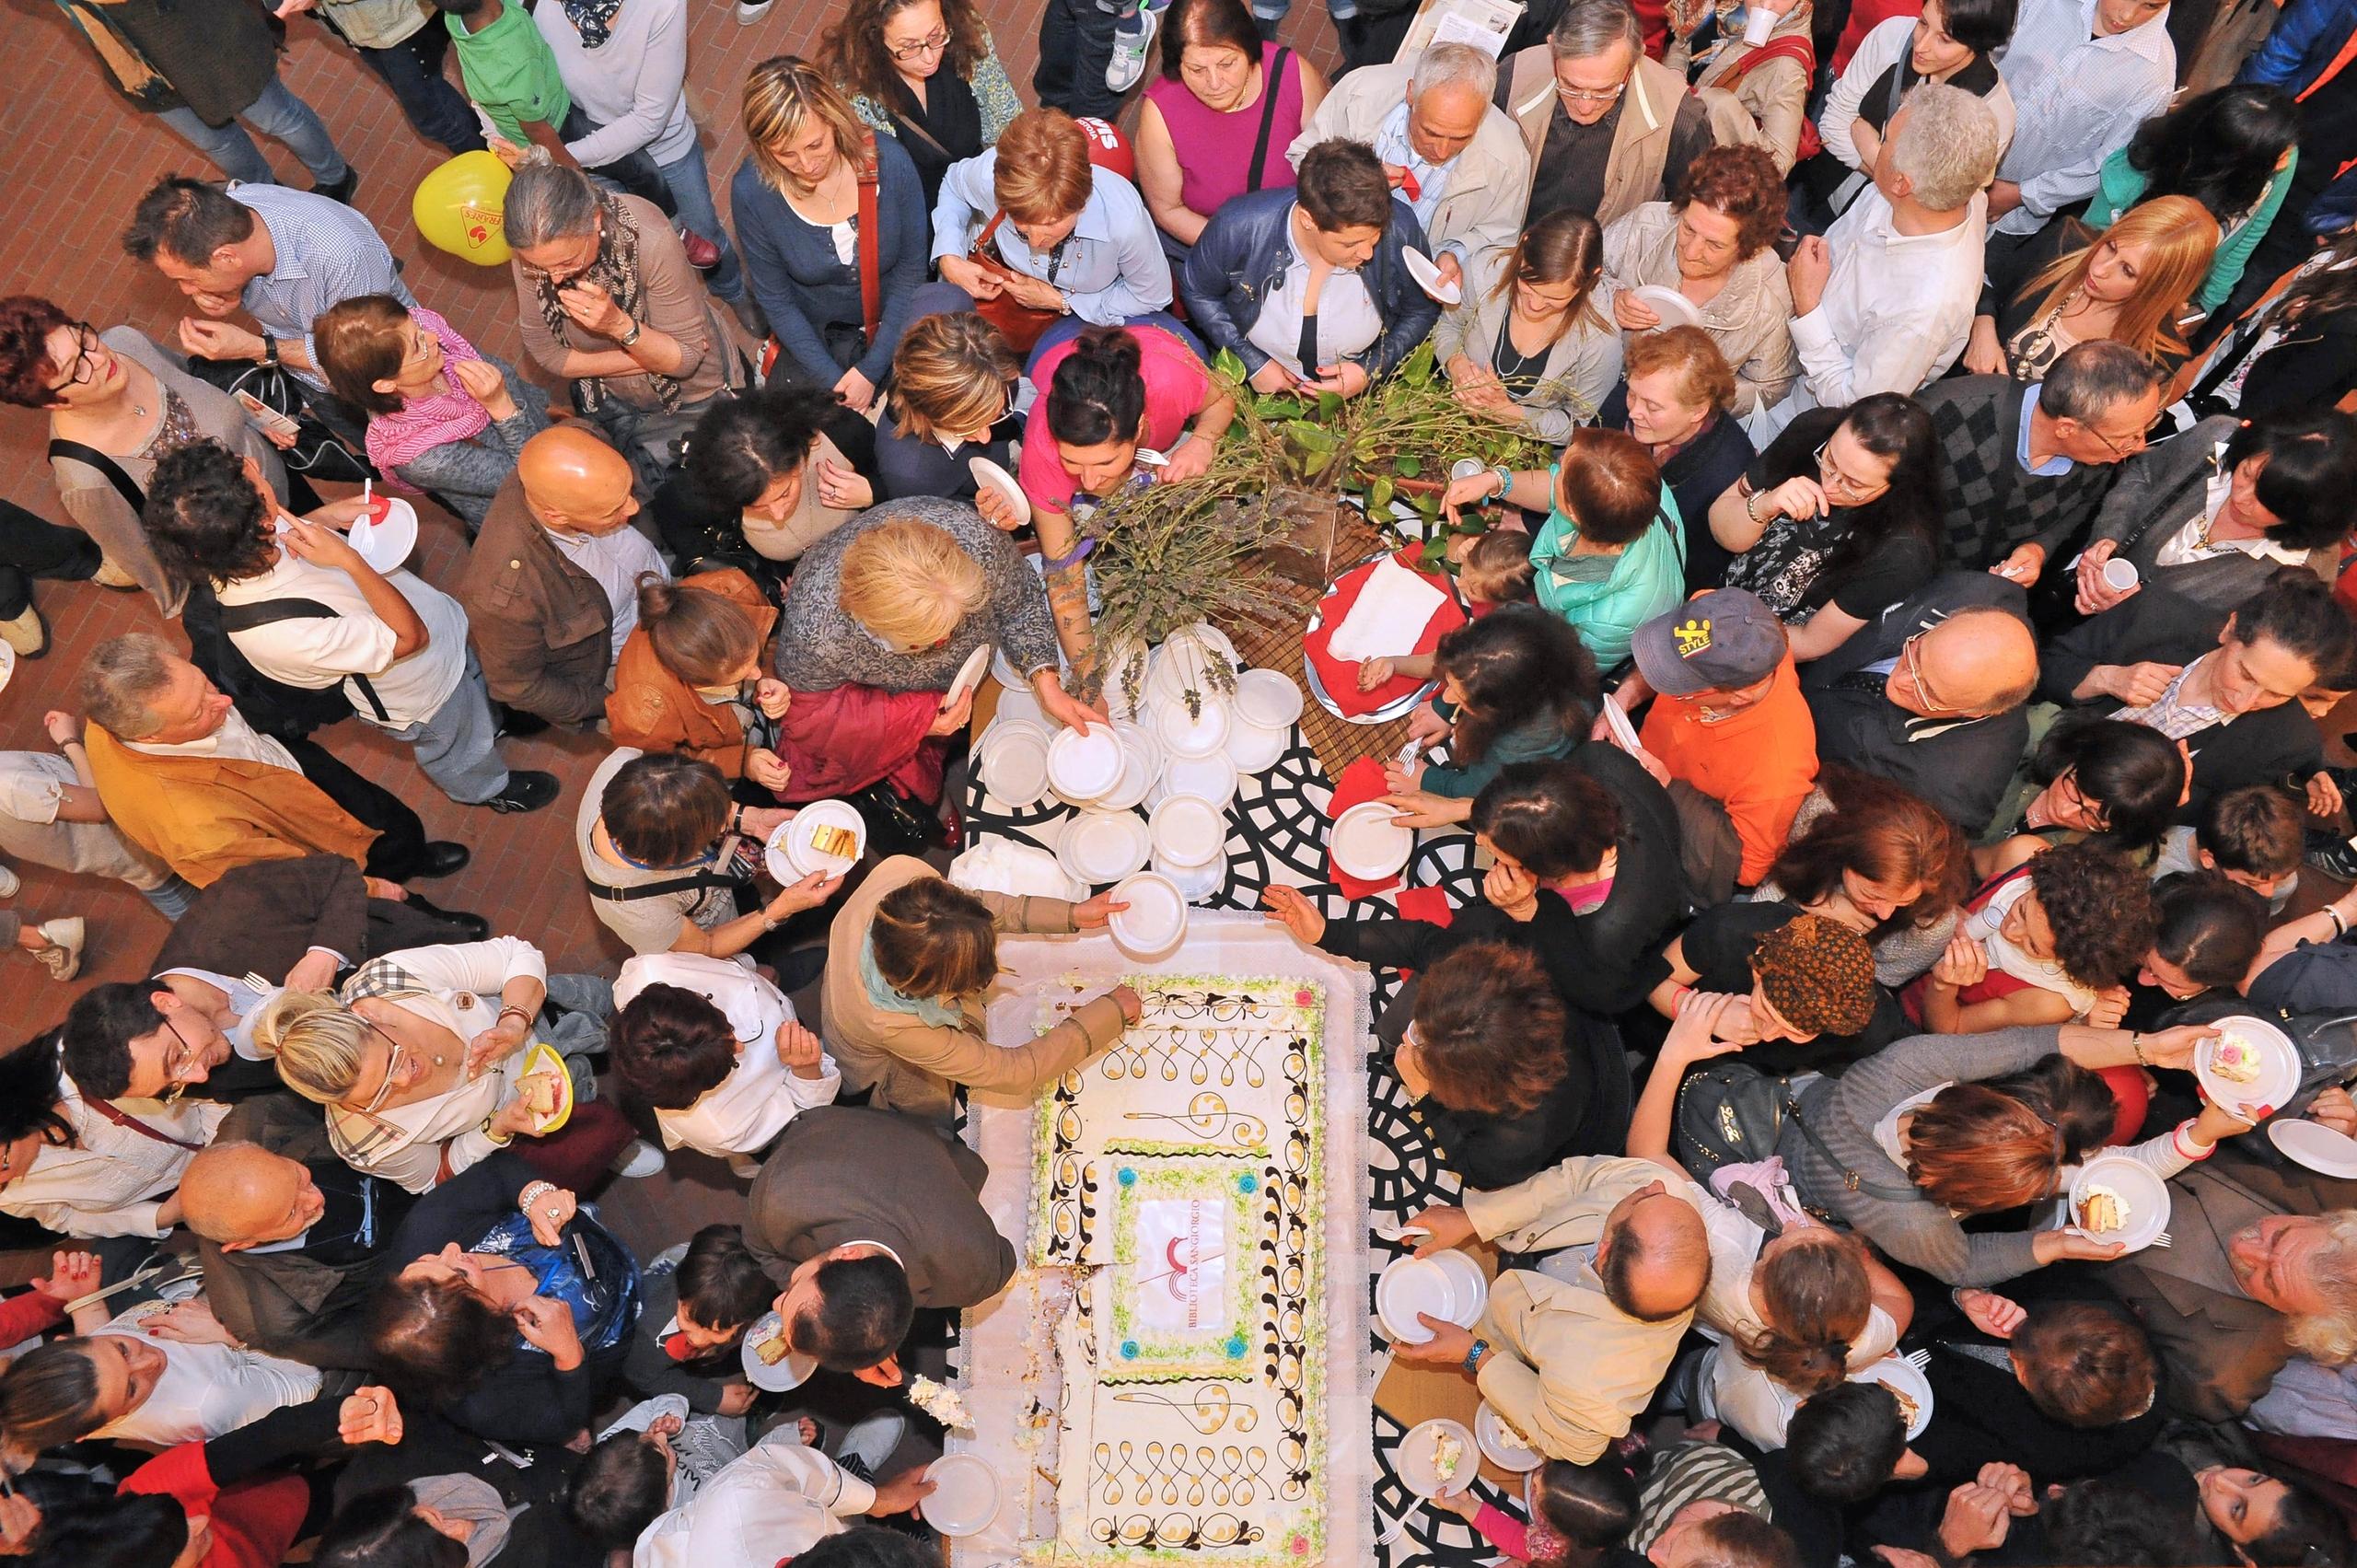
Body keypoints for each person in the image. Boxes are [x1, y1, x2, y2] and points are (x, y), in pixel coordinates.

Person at [142, 438, 559, 816]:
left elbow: (290, 547)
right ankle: (485, 787)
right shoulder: (275, 633)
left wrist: (325, 516)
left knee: (476, 690)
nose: (253, 460)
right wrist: (349, 560)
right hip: (421, 691)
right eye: (255, 481)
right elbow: (409, 639)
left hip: (442, 641)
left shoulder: (239, 543)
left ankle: (492, 717)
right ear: (261, 522)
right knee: (457, 744)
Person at [1773, 1024, 2243, 1284]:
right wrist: (2056, 1245)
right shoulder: (1910, 1221)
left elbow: (2031, 1043)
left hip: (1785, 1098)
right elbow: (1963, 1264)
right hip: (1778, 1188)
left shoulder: (1908, 1066)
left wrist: (2150, 1048)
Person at [255, 935, 644, 1194]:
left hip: (543, 1011)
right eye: (380, 1093)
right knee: (591, 1112)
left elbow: (514, 953)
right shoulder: (361, 1142)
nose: (406, 1078)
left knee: (633, 1009)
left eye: (393, 1059)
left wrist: (513, 1019)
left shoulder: (389, 980)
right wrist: (495, 1130)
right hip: (534, 1107)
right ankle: (618, 1145)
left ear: (365, 1016)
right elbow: (434, 1175)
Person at [76, 633, 470, 889]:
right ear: (150, 736)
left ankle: (412, 856)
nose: (224, 703)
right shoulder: (196, 832)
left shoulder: (111, 711)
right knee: (378, 876)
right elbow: (292, 879)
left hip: (279, 762)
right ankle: (414, 900)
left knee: (383, 816)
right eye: (198, 712)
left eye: (203, 683)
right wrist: (372, 889)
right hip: (301, 835)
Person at [1394, 1156, 1715, 1462]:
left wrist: (1475, 1355)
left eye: (1642, 1199)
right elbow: (1576, 1179)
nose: (1653, 1186)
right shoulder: (1670, 1198)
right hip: (1517, 1251)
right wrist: (1475, 1219)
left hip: (1509, 1332)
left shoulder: (1600, 1384)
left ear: (1602, 1254)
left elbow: (1569, 1443)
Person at [772, 504, 1096, 806]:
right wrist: (917, 720)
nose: (947, 641)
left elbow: (1020, 601)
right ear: (873, 624)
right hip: (911, 708)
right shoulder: (814, 633)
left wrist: (1045, 680)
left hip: (967, 684)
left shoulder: (972, 538)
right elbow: (813, 719)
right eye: (923, 642)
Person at [0, 296, 290, 616]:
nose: (98, 358)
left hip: (281, 484)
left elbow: (200, 379)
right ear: (54, 401)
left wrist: (256, 419)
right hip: (259, 561)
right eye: (77, 368)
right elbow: (155, 570)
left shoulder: (127, 341)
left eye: (83, 339)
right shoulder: (85, 478)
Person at [823, 856, 1137, 1121]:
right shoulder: (888, 1022)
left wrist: (1071, 914)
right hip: (876, 1057)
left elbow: (971, 909)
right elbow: (1014, 1071)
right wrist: (1112, 1013)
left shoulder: (903, 876)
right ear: (928, 989)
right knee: (920, 1113)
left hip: (859, 982)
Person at [1767, 85, 2002, 436]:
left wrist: (1808, 306)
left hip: (1793, 410)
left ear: (1902, 184)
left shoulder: (1923, 310)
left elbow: (1853, 405)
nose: (1878, 142)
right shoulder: (1954, 193)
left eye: (1887, 139)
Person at [503, 158, 751, 483]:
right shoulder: (535, 253)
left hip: (693, 394)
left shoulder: (649, 238)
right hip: (620, 399)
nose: (554, 277)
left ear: (594, 220)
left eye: (566, 262)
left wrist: (617, 326)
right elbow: (546, 353)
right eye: (539, 268)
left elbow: (686, 361)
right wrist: (644, 360)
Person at [370, 1152, 642, 1446]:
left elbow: (495, 1172)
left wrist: (533, 1195)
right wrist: (568, 1356)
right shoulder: (485, 1404)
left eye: (428, 1258)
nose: (450, 1248)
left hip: (598, 1240)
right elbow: (564, 1420)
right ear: (485, 1326)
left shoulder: (422, 1234)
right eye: (461, 1274)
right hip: (624, 1324)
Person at [2041, 571, 2351, 813]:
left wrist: (2165, 800)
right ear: (2230, 628)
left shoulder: (2285, 741)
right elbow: (2044, 667)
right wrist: (2104, 678)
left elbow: (2211, 814)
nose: (2245, 701)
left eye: (2278, 694)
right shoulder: (2156, 616)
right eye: (2245, 674)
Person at [733, 60, 930, 413]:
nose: (806, 165)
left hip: (897, 323)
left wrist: (871, 370)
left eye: (815, 145)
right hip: (816, 340)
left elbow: (911, 271)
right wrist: (836, 383)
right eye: (785, 154)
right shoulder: (753, 192)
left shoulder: (891, 162)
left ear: (834, 119)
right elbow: (776, 299)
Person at [532, 0, 747, 321]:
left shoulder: (660, 6)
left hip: (663, 150)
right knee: (643, 256)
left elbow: (649, 119)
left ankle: (733, 291)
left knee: (704, 232)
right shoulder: (535, 8)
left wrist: (564, 157)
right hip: (599, 164)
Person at [1180, 137, 1440, 397]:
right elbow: (1197, 289)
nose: (1367, 252)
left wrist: (1370, 369)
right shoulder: (1238, 226)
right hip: (1254, 391)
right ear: (1308, 220)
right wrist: (1252, 364)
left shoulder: (1401, 226)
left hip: (1367, 397)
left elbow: (1420, 310)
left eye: (1375, 237)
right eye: (1351, 244)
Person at [456, 424, 668, 726]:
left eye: (628, 492)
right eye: (611, 511)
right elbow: (521, 687)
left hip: (658, 607)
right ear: (556, 515)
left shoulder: (580, 448)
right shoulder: (504, 599)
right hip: (623, 662)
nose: (633, 508)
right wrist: (611, 703)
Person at [121, 175, 411, 394]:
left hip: (384, 377)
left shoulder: (342, 258)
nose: (186, 290)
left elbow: (365, 359)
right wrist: (234, 292)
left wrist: (259, 349)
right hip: (311, 376)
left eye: (189, 279)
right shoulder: (233, 210)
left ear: (226, 257)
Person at [1798, 573, 2040, 833]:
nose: (1901, 680)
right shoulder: (1981, 593)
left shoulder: (1945, 798)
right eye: (1917, 652)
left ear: (1975, 712)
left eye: (1928, 691)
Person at [1614, 588, 1817, 894]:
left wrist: (1668, 786)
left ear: (1738, 698)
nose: (1669, 687)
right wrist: (1623, 699)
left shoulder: (1778, 770)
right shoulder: (1719, 617)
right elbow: (1666, 656)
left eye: (1682, 686)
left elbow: (1747, 868)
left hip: (1658, 823)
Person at [177, 1113, 421, 1368]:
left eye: (298, 1177)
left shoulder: (260, 1120)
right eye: (292, 1213)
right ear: (244, 1244)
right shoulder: (271, 1319)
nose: (315, 1199)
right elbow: (393, 1342)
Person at [1286, 44, 1532, 294]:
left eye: (1460, 137)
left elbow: (1499, 237)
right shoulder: (1358, 96)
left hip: (1411, 291)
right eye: (1431, 132)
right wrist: (1351, 176)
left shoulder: (1508, 159)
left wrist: (1454, 254)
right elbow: (1301, 157)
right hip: (1327, 267)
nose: (1442, 151)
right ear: (1411, 93)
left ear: (1483, 112)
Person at [1712, 393, 1943, 660]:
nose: (1829, 485)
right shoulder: (1813, 430)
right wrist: (1764, 505)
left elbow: (1811, 642)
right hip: (1719, 587)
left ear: (1898, 486)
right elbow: (1722, 528)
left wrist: (1725, 639)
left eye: (1854, 484)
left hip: (1766, 649)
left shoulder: (1903, 555)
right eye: (1829, 459)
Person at [2069, 408, 2357, 614]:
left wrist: (2139, 617)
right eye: (2246, 473)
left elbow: (2226, 647)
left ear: (2309, 517)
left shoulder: (2305, 572)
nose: (2241, 497)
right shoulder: (2216, 437)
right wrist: (2109, 536)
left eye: (2268, 503)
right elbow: (2144, 474)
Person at [931, 108, 1177, 349]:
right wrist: (949, 256)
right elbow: (954, 185)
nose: (1035, 240)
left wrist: (1065, 302)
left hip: (1090, 324)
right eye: (1021, 223)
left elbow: (1152, 295)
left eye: (1050, 224)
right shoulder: (991, 176)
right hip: (1006, 319)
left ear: (1082, 203)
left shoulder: (1123, 221)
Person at [1439, 428, 1685, 668]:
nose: (1554, 469)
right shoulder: (1631, 482)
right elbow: (1558, 489)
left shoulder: (1615, 617)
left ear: (1574, 514)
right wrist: (1495, 481)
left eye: (1561, 470)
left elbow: (1572, 669)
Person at [1922, 341, 2168, 579]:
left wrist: (2039, 547)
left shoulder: (2099, 455)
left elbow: (2081, 505)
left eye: (2146, 428)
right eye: (2125, 438)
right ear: (2066, 429)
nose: (2139, 445)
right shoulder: (1946, 411)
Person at [55, 0, 354, 196]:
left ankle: (335, 177)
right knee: (215, 141)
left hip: (204, 30)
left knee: (277, 118)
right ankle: (267, 197)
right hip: (135, 58)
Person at [747, 1105, 1017, 1318]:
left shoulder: (973, 1271)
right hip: (841, 1139)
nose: (777, 1302)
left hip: (921, 1150)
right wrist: (855, 1323)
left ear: (847, 1255)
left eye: (794, 1286)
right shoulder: (773, 1212)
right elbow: (758, 1248)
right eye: (789, 1293)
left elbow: (1004, 1259)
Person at [314, 296, 552, 532]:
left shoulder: (440, 354)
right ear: (386, 384)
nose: (433, 337)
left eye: (418, 329)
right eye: (418, 346)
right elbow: (533, 476)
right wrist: (502, 407)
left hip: (549, 436)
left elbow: (514, 383)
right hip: (536, 512)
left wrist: (546, 408)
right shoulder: (423, 457)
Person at [1596, 145, 1797, 419]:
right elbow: (1586, 270)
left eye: (1714, 245)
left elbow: (1769, 387)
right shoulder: (1645, 226)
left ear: (1749, 247)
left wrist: (1696, 392)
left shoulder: (1770, 303)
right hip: (1595, 380)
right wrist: (1614, 296)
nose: (1690, 252)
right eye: (1688, 228)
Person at [576, 749, 837, 959]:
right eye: (712, 829)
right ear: (670, 857)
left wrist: (747, 819)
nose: (723, 827)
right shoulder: (642, 915)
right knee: (761, 956)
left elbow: (683, 798)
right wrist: (778, 910)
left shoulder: (623, 765)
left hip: (716, 883)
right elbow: (707, 946)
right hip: (716, 926)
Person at [431, 0, 675, 212]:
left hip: (534, 111)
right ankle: (673, 226)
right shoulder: (512, 64)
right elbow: (538, 131)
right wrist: (572, 171)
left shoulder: (458, 18)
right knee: (641, 170)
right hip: (556, 125)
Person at [2081, 86, 2301, 319]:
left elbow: (2249, 234)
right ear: (2226, 164)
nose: (2285, 162)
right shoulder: (2129, 181)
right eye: (2279, 157)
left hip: (2165, 309)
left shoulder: (2278, 153)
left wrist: (2205, 307)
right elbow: (2084, 253)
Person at [1495, 0, 1714, 231]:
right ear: (1552, 50)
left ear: (1634, 62)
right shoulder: (1513, 78)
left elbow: (1686, 219)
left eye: (1605, 91)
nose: (1585, 107)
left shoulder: (1679, 121)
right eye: (1570, 87)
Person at [1905, 1294, 2165, 1488]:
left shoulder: (2052, 1450)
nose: (2010, 1353)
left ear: (2050, 1408)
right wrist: (1965, 1296)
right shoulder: (2099, 1310)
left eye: (2018, 1365)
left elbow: (1950, 1448)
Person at [1799, 0, 2018, 231]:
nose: (1922, 45)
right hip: (1825, 197)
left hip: (1889, 235)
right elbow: (1833, 124)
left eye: (1944, 39)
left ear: (1978, 44)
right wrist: (1903, 184)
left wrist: (1871, 150)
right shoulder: (1892, 36)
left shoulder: (1992, 111)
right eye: (1923, 23)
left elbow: (1939, 205)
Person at [1754, 767, 1975, 987]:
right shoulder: (1820, 812)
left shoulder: (1933, 922)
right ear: (1845, 856)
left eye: (1904, 901)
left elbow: (1879, 983)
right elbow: (1759, 902)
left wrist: (1843, 939)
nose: (1885, 913)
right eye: (1872, 894)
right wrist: (1808, 908)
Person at [1380, 605, 1599, 825]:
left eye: (1460, 697)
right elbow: (1471, 671)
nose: (1446, 696)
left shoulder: (1525, 741)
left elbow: (1483, 790)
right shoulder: (1529, 645)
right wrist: (1444, 710)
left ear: (1498, 710)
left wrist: (1428, 781)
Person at [1136, 0, 1325, 255]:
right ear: (1177, 65)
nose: (1214, 83)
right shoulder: (1160, 114)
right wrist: (1244, 250)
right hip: (1222, 250)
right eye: (1196, 69)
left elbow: (1329, 166)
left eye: (1227, 64)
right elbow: (1168, 209)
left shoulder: (1293, 75)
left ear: (1249, 50)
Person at [610, 955, 840, 1164]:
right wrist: (805, 1068)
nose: (740, 1045)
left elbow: (712, 962)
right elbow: (801, 1110)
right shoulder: (723, 1128)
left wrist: (748, 969)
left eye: (727, 1027)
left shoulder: (649, 971)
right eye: (729, 1061)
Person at [1963, 198, 2222, 382]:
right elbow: (1986, 281)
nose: (2100, 268)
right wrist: (1983, 327)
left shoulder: (2156, 358)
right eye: (2110, 246)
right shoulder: (2065, 245)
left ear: (2158, 289)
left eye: (2128, 271)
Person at [0, 1302, 320, 1450]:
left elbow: (100, 1335)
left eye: (123, 1350)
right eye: (131, 1389)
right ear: (102, 1427)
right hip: (302, 1330)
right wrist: (230, 1333)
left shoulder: (90, 1386)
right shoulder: (210, 1403)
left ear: (67, 1340)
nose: (151, 1361)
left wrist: (85, 1299)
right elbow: (310, 1381)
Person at [1913, 841, 2159, 1030]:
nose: (2010, 932)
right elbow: (1958, 864)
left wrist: (1944, 984)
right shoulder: (2023, 855)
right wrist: (1945, 903)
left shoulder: (2048, 1000)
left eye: (2032, 945)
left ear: (2065, 963)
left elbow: (1948, 1029)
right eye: (2021, 908)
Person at [0, 1034, 225, 1241]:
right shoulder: (6, 1196)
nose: (6, 1182)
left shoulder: (87, 1058)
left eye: (4, 1163)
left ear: (12, 1118)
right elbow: (65, 1218)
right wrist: (162, 1216)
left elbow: (204, 1082)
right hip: (196, 1200)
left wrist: (221, 1159)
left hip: (233, 1129)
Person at [621, 1412, 932, 1561]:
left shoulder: (739, 1499)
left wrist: (880, 1500)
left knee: (831, 1497)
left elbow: (794, 1468)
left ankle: (852, 1465)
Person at [1988, 0, 2177, 243]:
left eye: (2150, 6)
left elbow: (2109, 162)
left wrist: (2021, 194)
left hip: (2007, 214)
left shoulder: (2154, 76)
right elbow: (1983, 50)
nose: (2128, 15)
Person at [1020, 324, 1237, 535]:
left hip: (1151, 329)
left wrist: (1202, 442)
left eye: (1105, 462)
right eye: (1071, 462)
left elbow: (1223, 397)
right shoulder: (1041, 445)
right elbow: (1060, 559)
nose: (1089, 482)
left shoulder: (1171, 380)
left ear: (1139, 426)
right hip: (1052, 346)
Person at [819, 0, 1024, 216]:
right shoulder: (854, 93)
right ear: (875, 39)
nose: (929, 57)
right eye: (909, 47)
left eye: (935, 35)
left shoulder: (966, 32)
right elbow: (888, 193)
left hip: (982, 189)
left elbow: (1006, 119)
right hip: (921, 214)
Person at [1436, 209, 1624, 441]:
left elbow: (1581, 425)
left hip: (1528, 450)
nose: (1534, 305)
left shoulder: (1601, 339)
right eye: (1528, 285)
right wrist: (1457, 365)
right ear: (1524, 246)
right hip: (1446, 415)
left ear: (1592, 277)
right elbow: (1448, 324)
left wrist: (1509, 413)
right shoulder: (1484, 271)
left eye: (1555, 299)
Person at [654, 384, 870, 574]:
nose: (778, 514)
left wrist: (872, 493)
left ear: (800, 452)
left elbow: (897, 485)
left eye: (784, 493)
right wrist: (746, 572)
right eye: (756, 507)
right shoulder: (714, 489)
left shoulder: (843, 434)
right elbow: (669, 513)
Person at [1600, 327, 1756, 589]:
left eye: (1652, 406)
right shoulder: (1624, 402)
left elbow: (1700, 571)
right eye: (1632, 394)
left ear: (1698, 411)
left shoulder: (1728, 472)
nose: (1634, 411)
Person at [0, 709, 187, 922]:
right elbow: (103, 806)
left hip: (142, 858)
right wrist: (69, 742)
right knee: (211, 920)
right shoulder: (11, 788)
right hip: (149, 854)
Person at [605, 573, 789, 788]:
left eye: (753, 658)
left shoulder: (732, 587)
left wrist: (768, 675)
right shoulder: (642, 713)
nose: (756, 675)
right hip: (718, 750)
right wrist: (742, 762)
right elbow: (666, 768)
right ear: (694, 682)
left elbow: (772, 635)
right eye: (741, 676)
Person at [2169, 229, 2357, 429]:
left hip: (2242, 402)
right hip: (2231, 364)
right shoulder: (2346, 246)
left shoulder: (2349, 329)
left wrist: (2239, 424)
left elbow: (2290, 393)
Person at [1979, 715, 2189, 869]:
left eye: (2093, 817)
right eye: (2074, 788)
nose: (2065, 811)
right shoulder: (2026, 734)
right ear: (2080, 755)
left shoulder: (2117, 861)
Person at [873, 311, 1024, 503]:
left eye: (996, 414)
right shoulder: (911, 478)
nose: (985, 438)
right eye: (966, 427)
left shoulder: (950, 300)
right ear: (928, 415)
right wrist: (987, 517)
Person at [624, 1224, 769, 1417]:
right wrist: (713, 1398)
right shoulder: (650, 1332)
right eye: (689, 1319)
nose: (698, 1340)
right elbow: (642, 1376)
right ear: (681, 1294)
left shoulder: (758, 1285)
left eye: (718, 1331)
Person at [2155, 784, 2304, 908]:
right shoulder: (2158, 868)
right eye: (2251, 883)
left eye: (2275, 882)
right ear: (2207, 858)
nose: (2268, 894)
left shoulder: (2283, 884)